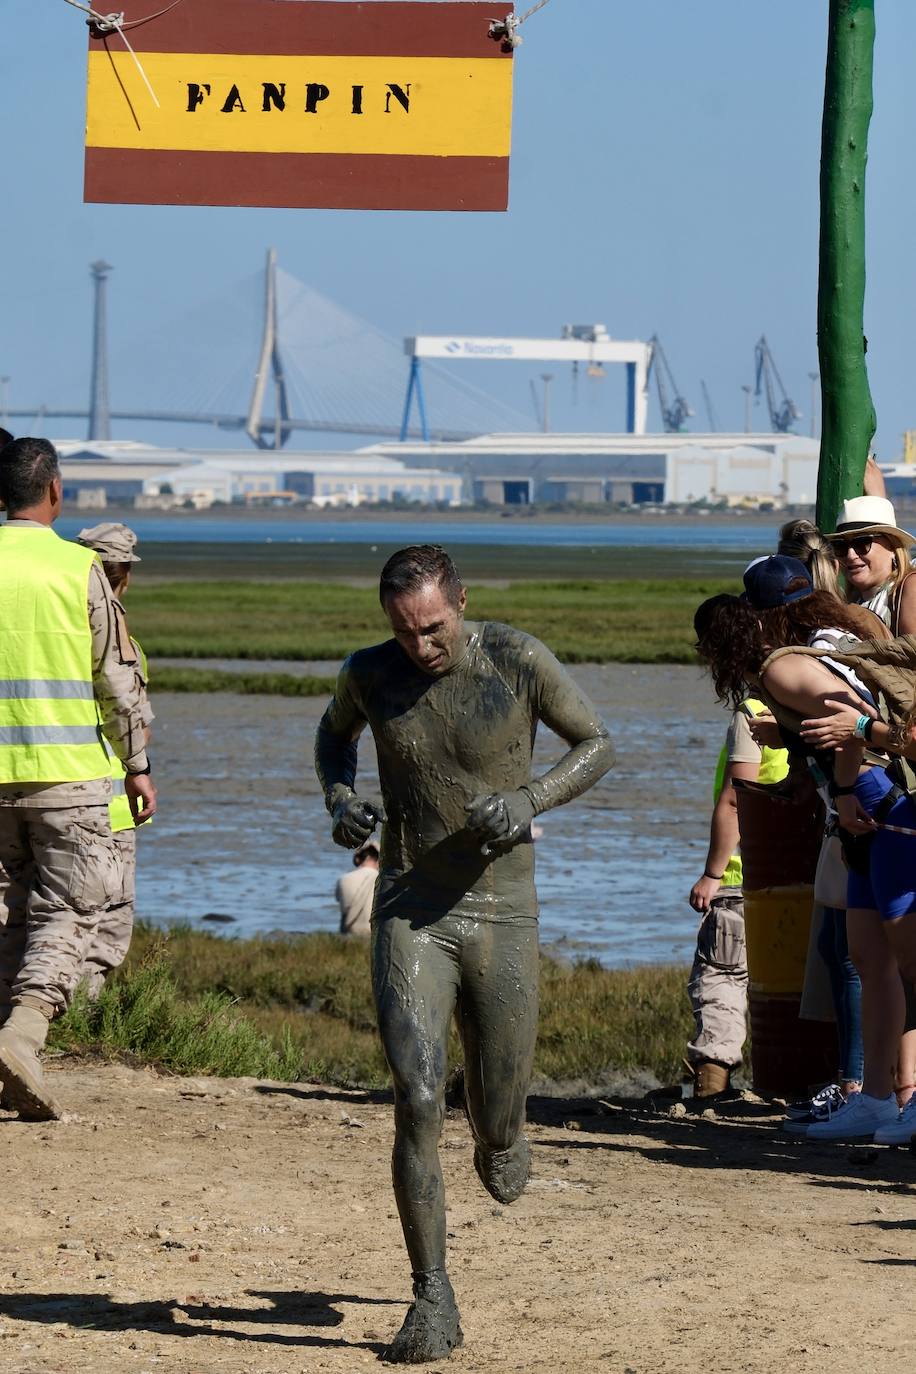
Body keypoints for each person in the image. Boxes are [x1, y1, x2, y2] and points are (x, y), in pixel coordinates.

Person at [314, 544, 614, 1363]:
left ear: (462, 603)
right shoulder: (369, 673)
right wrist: (341, 799)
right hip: (410, 909)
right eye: (407, 632)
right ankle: (431, 1297)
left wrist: (530, 798)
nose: (423, 647)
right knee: (415, 1093)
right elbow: (332, 739)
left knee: (499, 1102)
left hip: (502, 913)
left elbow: (595, 742)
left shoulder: (516, 660)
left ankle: (501, 1133)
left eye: (436, 628)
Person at [694, 563, 916, 1144]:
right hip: (868, 806)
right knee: (871, 958)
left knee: (906, 957)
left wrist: (842, 794)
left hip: (878, 804)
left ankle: (906, 1097)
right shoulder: (834, 641)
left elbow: (849, 720)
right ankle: (875, 1099)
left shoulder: (783, 665)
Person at [0, 439, 156, 1121]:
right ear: (55, 492)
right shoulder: (77, 570)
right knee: (69, 911)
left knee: (7, 914)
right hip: (68, 778)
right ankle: (24, 1034)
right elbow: (116, 682)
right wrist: (139, 764)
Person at [685, 678, 788, 1101]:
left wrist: (712, 873)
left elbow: (734, 799)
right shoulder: (814, 708)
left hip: (740, 880)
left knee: (721, 982)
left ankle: (712, 1084)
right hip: (794, 878)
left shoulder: (753, 712)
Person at [75, 522, 153, 994]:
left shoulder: (56, 634)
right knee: (102, 932)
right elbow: (133, 721)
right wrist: (141, 770)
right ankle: (72, 1023)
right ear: (124, 574)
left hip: (50, 791)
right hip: (110, 805)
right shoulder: (123, 643)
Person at [336, 840, 379, 937]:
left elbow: (340, 902)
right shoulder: (382, 881)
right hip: (372, 935)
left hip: (350, 935)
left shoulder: (343, 879)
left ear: (358, 859)